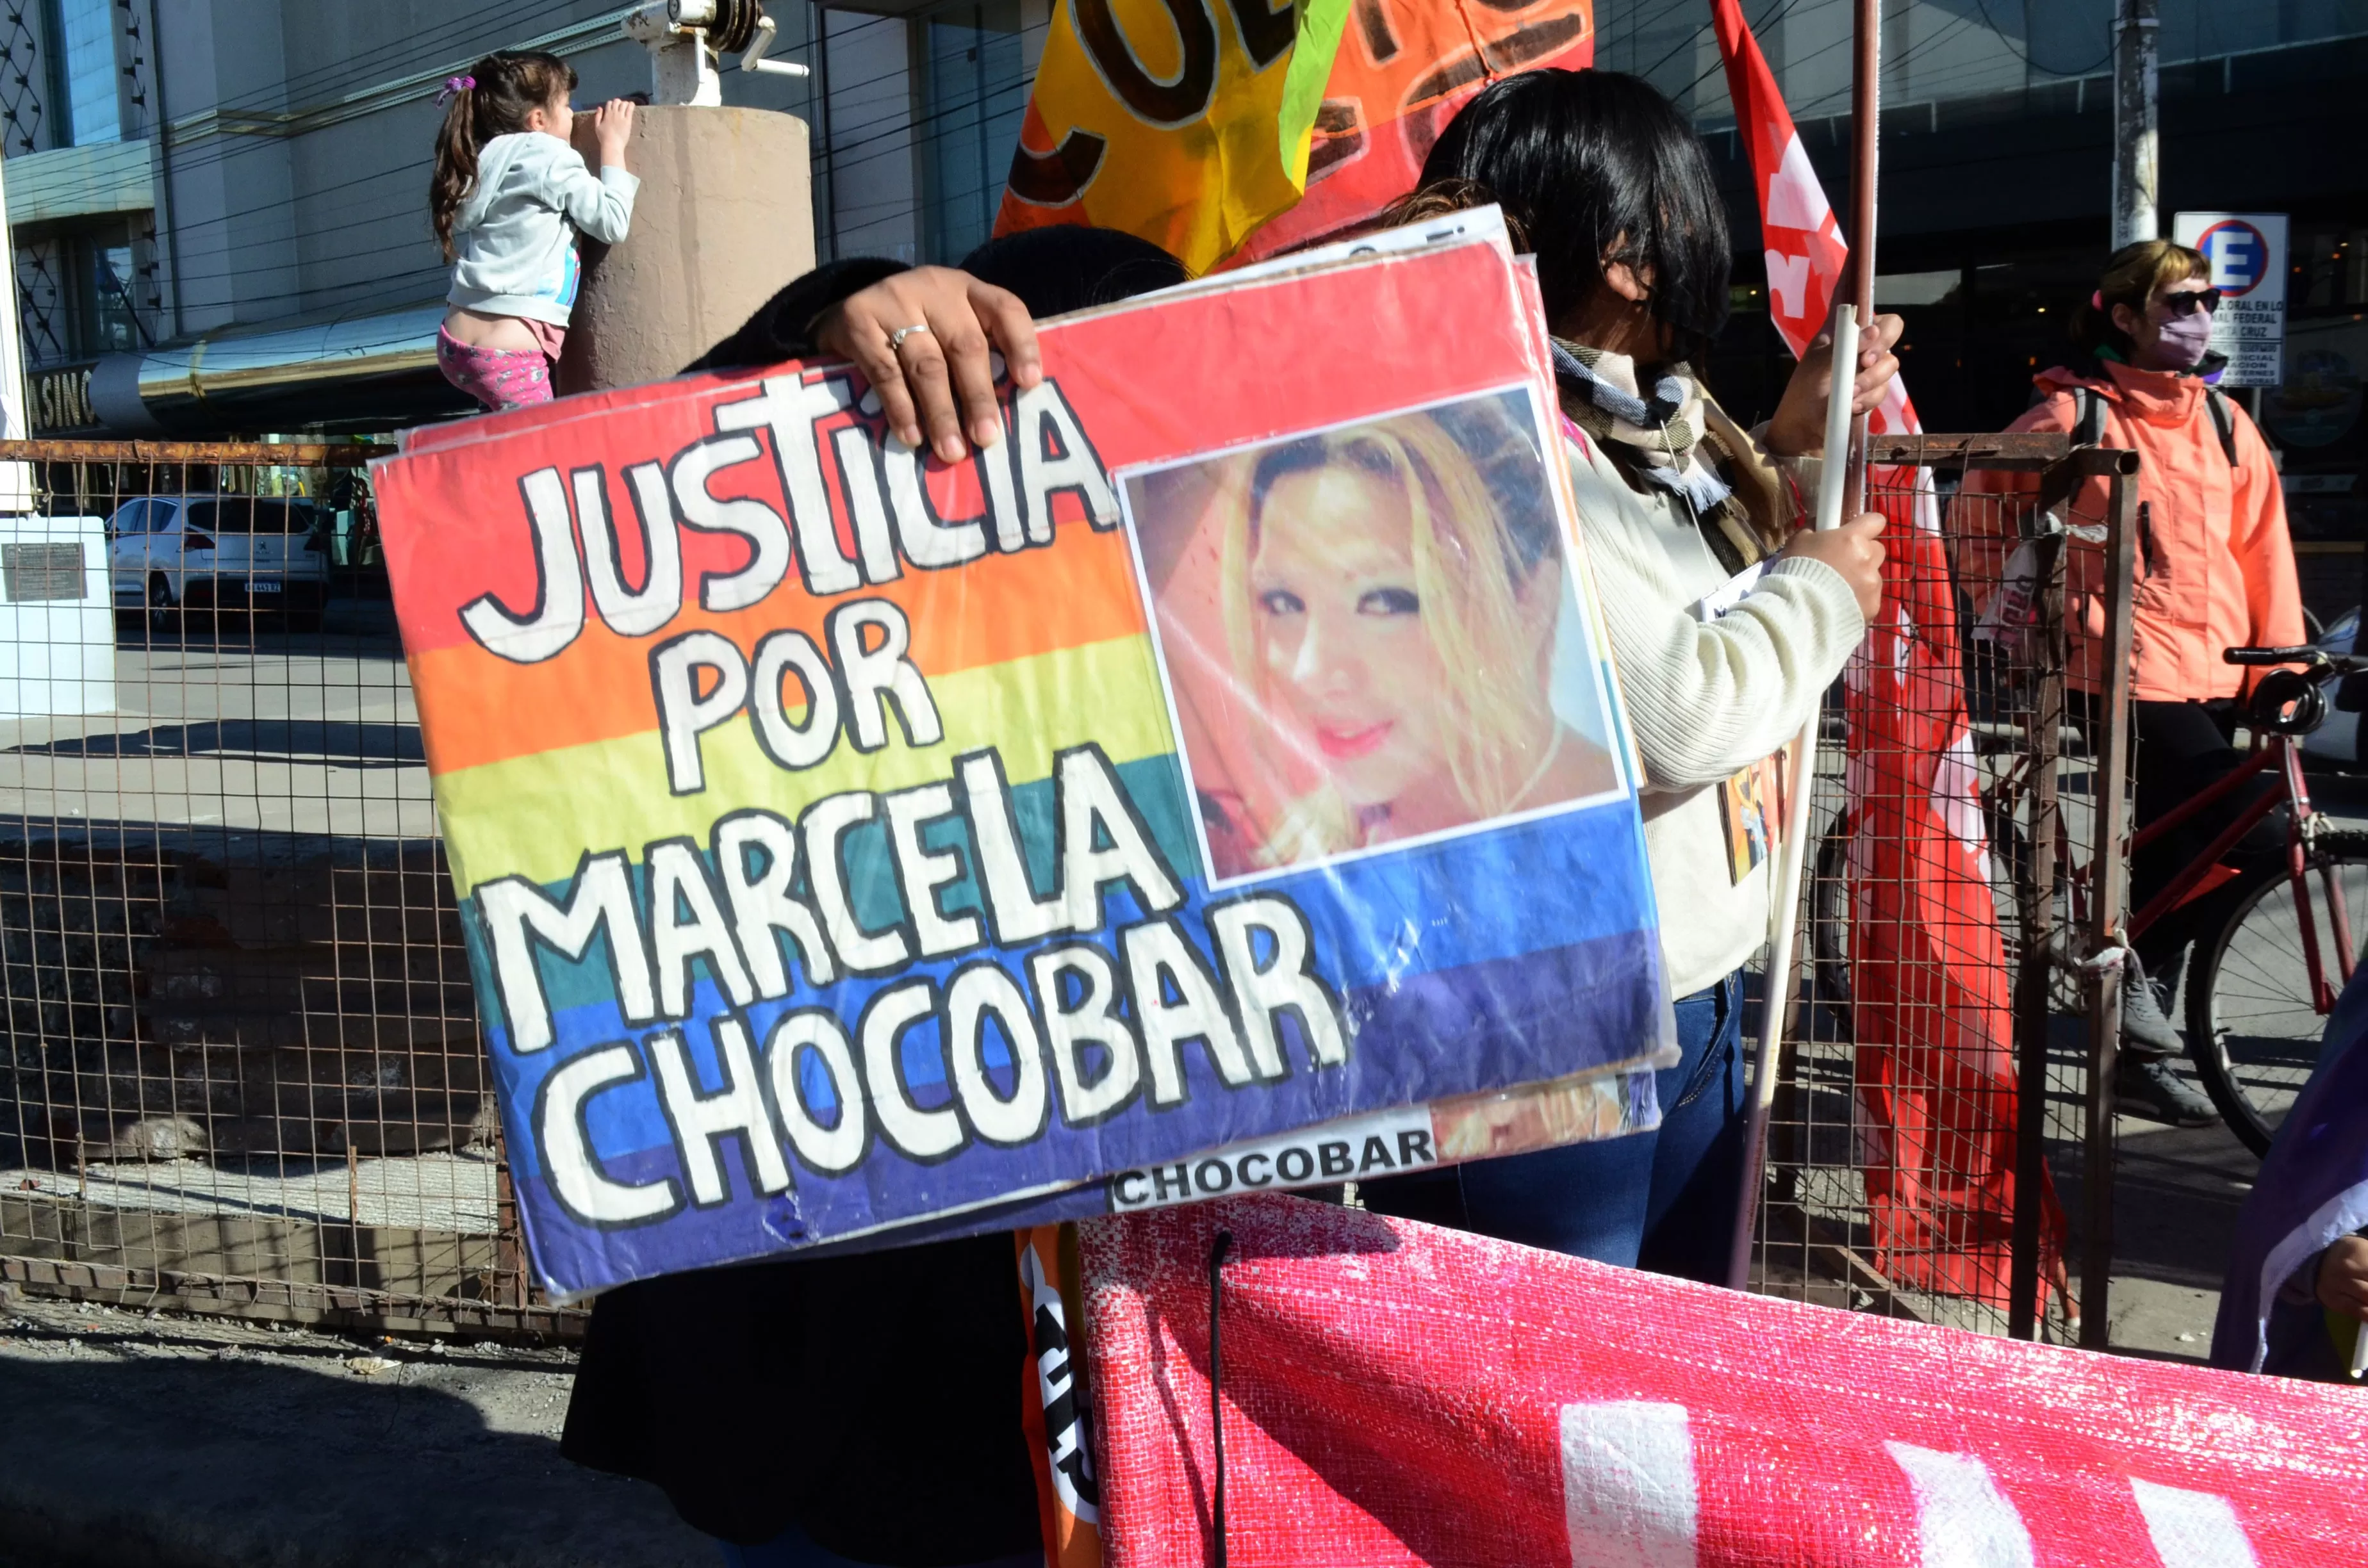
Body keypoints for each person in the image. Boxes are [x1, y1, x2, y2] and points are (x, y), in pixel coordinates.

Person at [560, 227, 1190, 1568]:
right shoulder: (803, 666)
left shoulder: (1223, 647)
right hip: (846, 1407)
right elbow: (615, 508)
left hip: (1148, 1411)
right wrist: (834, 314)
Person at [1957, 239, 2305, 1127]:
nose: (2197, 319)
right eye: (2176, 303)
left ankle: (2130, 1036)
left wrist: (2286, 670)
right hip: (2111, 667)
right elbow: (1980, 525)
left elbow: (2263, 553)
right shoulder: (2075, 419)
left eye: (2204, 303)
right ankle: (2123, 969)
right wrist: (2035, 622)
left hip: (2216, 669)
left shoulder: (2226, 423)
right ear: (2121, 315)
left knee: (2177, 854)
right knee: (2262, 834)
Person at [1196, 400, 1620, 876]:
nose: (1309, 669)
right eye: (1283, 602)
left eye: (1383, 600)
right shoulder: (1301, 854)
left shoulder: (1611, 830)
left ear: (1529, 607)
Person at [429, 52, 638, 411]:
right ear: (538, 119)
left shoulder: (484, 160)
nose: (573, 114)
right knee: (545, 451)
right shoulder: (549, 155)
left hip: (456, 343)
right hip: (508, 356)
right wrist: (613, 145)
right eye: (567, 105)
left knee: (502, 447)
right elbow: (612, 221)